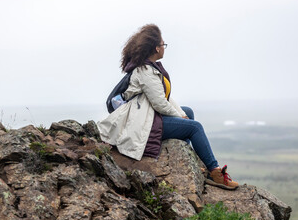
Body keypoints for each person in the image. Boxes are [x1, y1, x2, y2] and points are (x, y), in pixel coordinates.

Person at [97, 24, 238, 190]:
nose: (164, 48)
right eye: (163, 45)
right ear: (157, 48)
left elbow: (167, 98)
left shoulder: (152, 68)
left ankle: (188, 159)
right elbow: (160, 103)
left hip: (149, 115)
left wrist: (181, 114)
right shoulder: (145, 71)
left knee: (188, 112)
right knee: (195, 128)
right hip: (143, 123)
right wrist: (180, 117)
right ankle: (214, 172)